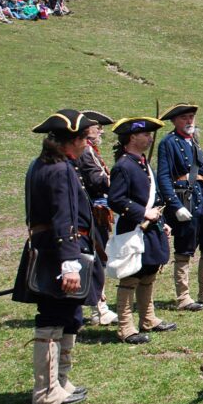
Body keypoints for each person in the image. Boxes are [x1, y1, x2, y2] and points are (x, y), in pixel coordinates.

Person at [13, 109, 101, 404]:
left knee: (66, 317)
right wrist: (69, 264)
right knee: (51, 320)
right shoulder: (60, 169)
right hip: (56, 252)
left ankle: (60, 381)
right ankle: (46, 391)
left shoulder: (42, 165)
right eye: (84, 139)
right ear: (71, 141)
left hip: (49, 247)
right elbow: (63, 220)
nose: (88, 144)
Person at [108, 117, 176, 344]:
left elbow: (154, 199)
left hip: (150, 228)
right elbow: (116, 200)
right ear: (131, 137)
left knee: (148, 273)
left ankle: (148, 319)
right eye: (145, 134)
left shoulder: (142, 163)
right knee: (131, 276)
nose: (150, 138)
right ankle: (126, 328)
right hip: (133, 228)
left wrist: (161, 220)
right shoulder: (123, 166)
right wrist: (142, 213)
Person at [157, 103, 203, 310]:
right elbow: (163, 177)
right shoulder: (168, 143)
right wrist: (175, 205)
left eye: (191, 117)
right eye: (184, 118)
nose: (189, 121)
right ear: (174, 121)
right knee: (184, 250)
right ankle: (183, 297)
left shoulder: (194, 141)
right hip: (185, 199)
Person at [78, 110, 117, 326]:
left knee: (99, 258)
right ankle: (98, 309)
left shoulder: (90, 150)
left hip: (98, 211)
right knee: (96, 257)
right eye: (97, 126)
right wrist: (116, 180)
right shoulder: (85, 151)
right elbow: (96, 180)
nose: (101, 130)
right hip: (91, 212)